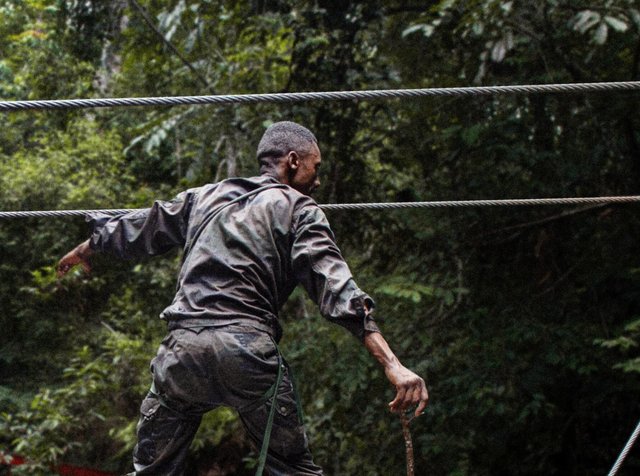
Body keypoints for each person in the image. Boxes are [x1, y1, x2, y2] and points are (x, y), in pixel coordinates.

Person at [57, 121, 428, 475]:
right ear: (293, 161)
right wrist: (392, 364)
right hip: (246, 352)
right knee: (293, 470)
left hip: (182, 352)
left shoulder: (204, 197)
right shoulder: (299, 207)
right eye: (315, 168)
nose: (317, 180)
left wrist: (91, 245)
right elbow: (335, 285)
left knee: (151, 472)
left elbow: (145, 225)